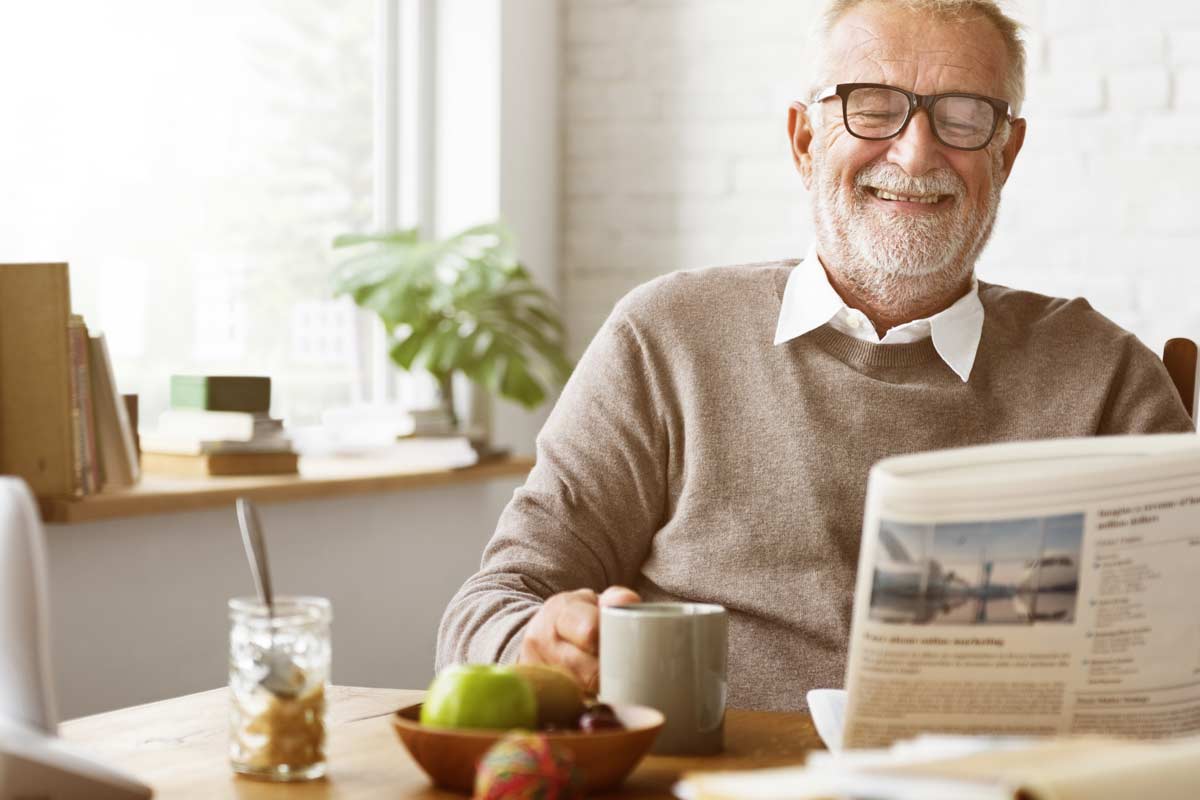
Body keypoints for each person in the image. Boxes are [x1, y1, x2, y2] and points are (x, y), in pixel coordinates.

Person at [435, 0, 1194, 711]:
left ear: (1007, 153)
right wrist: (537, 641)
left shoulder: (1108, 378)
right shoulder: (666, 338)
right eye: (871, 105)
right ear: (805, 139)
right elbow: (489, 608)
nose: (915, 150)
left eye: (965, 116)